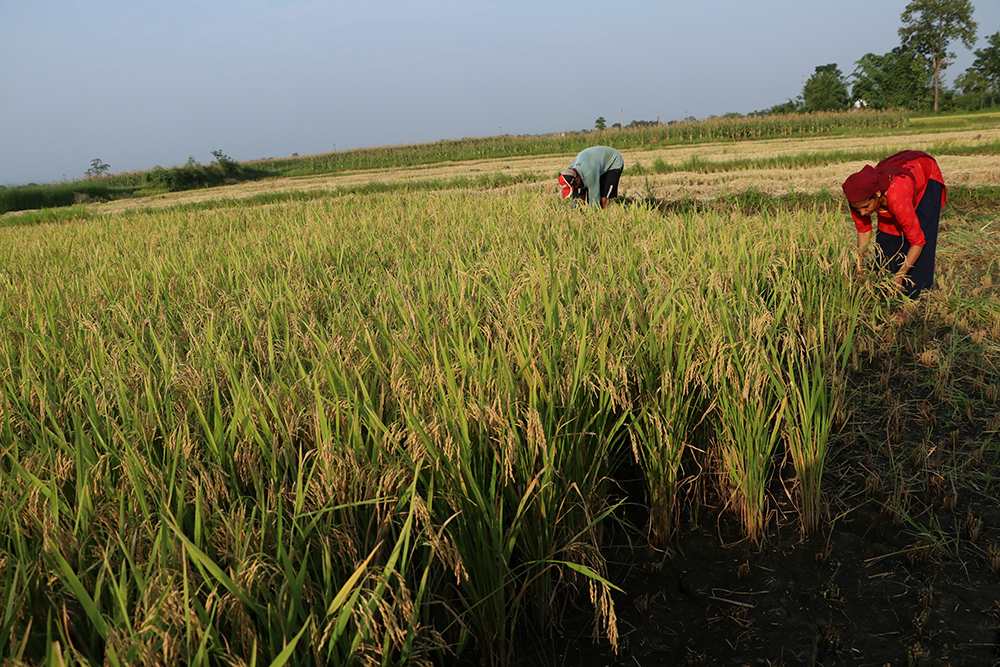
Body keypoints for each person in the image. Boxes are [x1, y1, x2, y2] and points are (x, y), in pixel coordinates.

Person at [842, 150, 946, 300]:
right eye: (858, 209)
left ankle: (913, 299)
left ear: (877, 194)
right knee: (887, 240)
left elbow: (918, 241)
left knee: (920, 233)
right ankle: (886, 293)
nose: (862, 213)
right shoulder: (858, 200)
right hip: (890, 194)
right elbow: (864, 231)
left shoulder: (897, 196)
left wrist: (901, 274)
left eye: (865, 207)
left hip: (925, 178)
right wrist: (860, 266)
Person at [558, 146, 624, 209]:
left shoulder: (590, 173)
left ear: (577, 179)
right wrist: (575, 212)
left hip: (613, 161)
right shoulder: (570, 172)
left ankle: (604, 215)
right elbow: (575, 199)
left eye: (574, 187)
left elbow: (594, 198)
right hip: (593, 161)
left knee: (603, 199)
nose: (575, 189)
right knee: (582, 197)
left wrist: (593, 216)